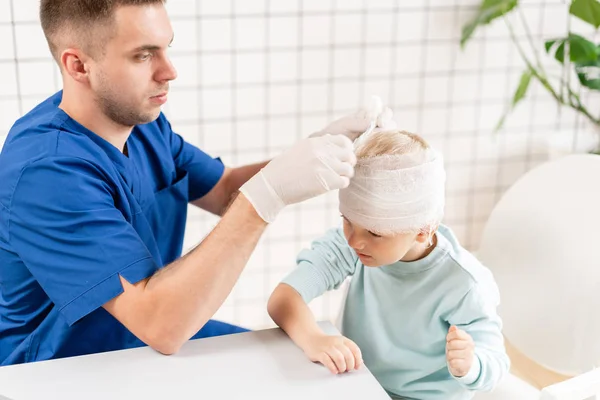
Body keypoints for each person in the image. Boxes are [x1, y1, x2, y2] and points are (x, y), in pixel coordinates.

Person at [0, 0, 395, 365]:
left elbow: (224, 190)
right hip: (64, 364)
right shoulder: (46, 172)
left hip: (148, 329)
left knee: (292, 365)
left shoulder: (140, 125)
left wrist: (317, 147)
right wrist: (269, 194)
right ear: (78, 66)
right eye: (143, 55)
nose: (169, 71)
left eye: (166, 47)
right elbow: (161, 327)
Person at [267, 130, 510, 399]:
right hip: (358, 385)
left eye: (375, 233)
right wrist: (314, 338)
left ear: (423, 229)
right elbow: (285, 297)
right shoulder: (352, 245)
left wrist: (471, 365)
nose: (355, 240)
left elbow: (497, 361)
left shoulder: (464, 284)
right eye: (347, 220)